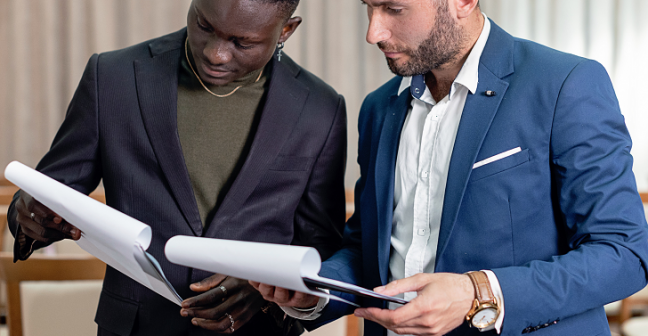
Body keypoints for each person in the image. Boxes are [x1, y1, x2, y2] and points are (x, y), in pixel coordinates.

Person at [252, 0, 648, 335]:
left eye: (393, 8)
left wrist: (478, 294)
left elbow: (625, 254)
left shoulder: (566, 83)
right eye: (368, 7)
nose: (373, 32)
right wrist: (317, 289)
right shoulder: (378, 107)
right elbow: (367, 247)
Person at [6, 0, 347, 335]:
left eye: (242, 43)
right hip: (135, 327)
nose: (216, 53)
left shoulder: (320, 108)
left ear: (286, 30)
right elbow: (47, 192)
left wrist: (266, 291)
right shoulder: (113, 76)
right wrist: (29, 214)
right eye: (204, 26)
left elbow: (321, 244)